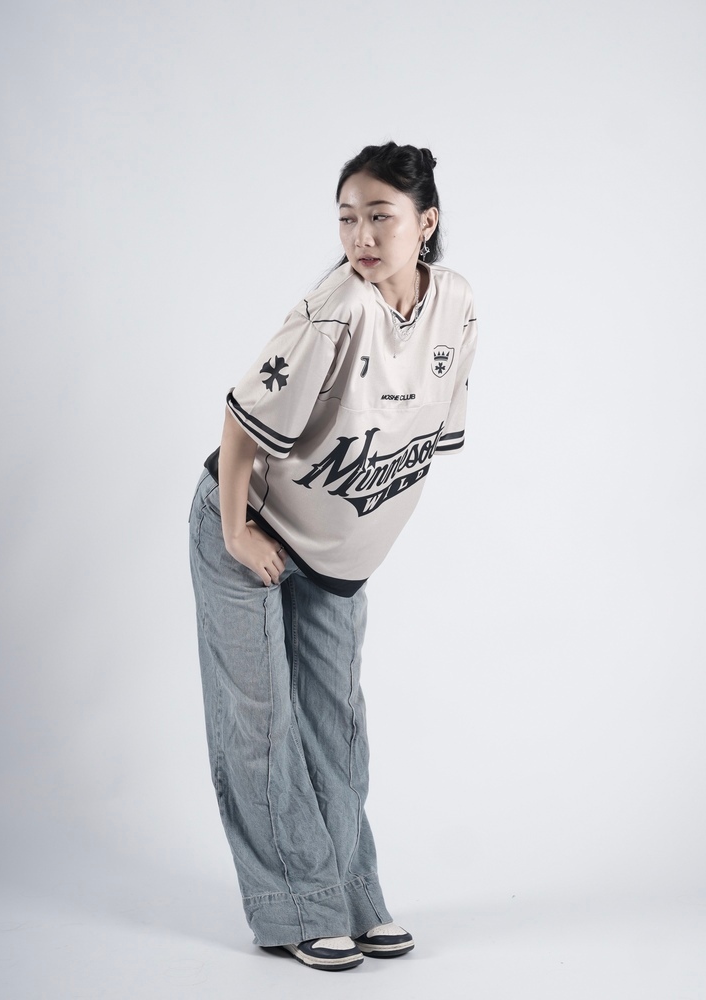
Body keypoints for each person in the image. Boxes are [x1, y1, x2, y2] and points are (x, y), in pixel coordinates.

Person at [188, 141, 478, 971]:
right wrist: (237, 530)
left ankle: (350, 894)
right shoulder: (336, 308)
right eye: (347, 218)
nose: (361, 235)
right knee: (261, 723)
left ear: (426, 223)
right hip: (251, 524)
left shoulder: (456, 304)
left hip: (333, 560)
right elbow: (241, 417)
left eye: (380, 216)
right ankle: (296, 907)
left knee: (337, 728)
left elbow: (416, 439)